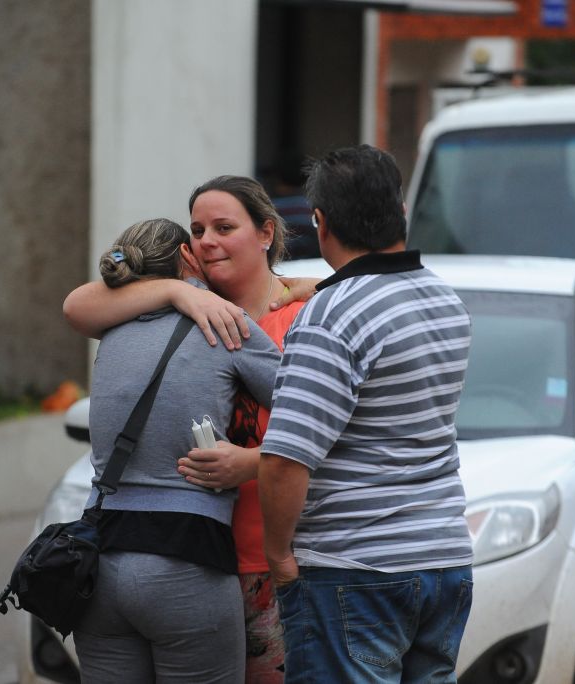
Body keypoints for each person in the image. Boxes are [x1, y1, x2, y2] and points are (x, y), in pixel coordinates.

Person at [63, 175, 314, 682]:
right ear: (186, 251)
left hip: (106, 549)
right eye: (199, 230)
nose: (208, 239)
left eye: (224, 226)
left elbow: (331, 432)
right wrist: (182, 291)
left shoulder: (117, 330)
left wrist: (248, 463)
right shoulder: (220, 323)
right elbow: (314, 414)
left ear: (266, 233)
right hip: (196, 556)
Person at [257, 144, 474, 684]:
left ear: (320, 222)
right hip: (444, 560)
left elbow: (285, 459)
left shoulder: (330, 317)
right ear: (400, 212)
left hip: (353, 570)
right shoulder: (443, 299)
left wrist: (280, 557)